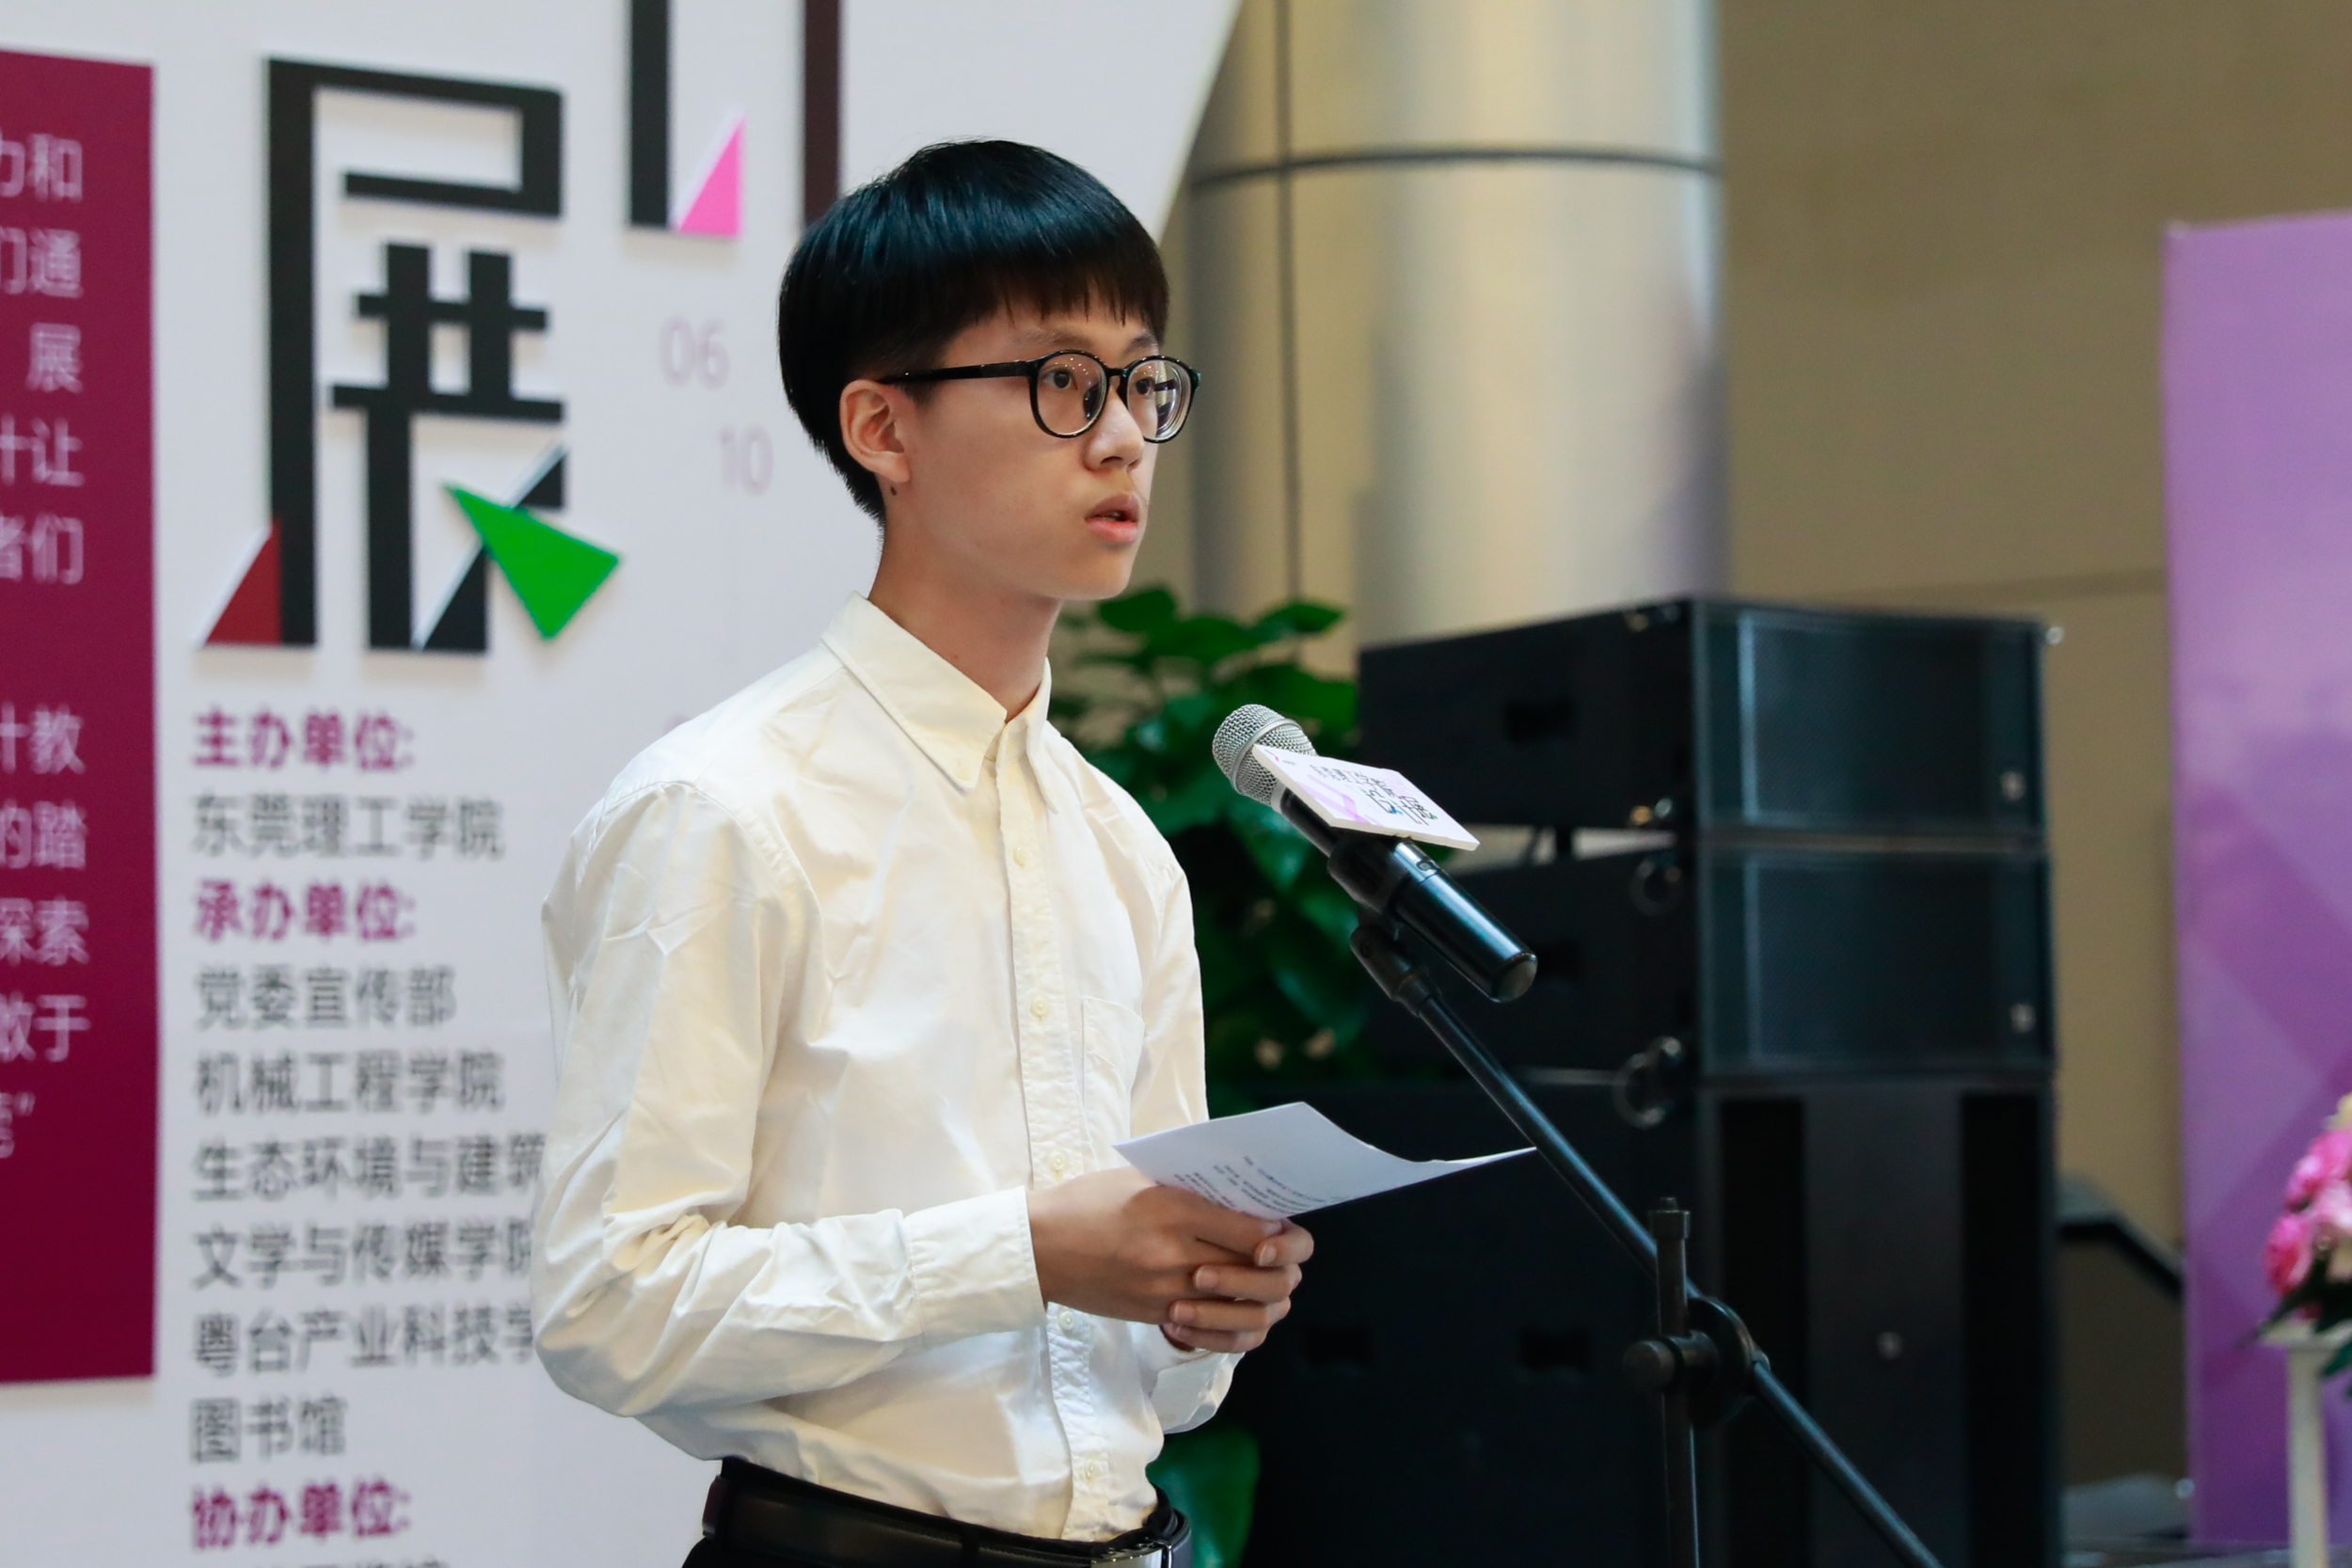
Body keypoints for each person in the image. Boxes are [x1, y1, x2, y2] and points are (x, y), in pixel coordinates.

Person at [532, 139, 1312, 1568]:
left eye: (1144, 383)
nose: (1124, 438)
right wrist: (1027, 1250)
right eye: (1064, 382)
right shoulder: (725, 807)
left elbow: (1162, 1389)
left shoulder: (1123, 849)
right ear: (884, 428)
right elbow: (611, 1305)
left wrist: (1206, 1300)